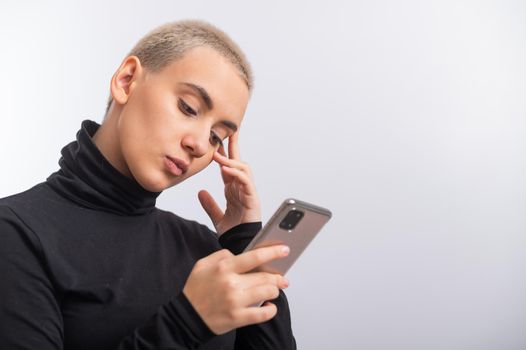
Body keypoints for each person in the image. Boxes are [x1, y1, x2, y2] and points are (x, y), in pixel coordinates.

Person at [0, 19, 296, 349]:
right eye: (189, 107)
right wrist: (188, 321)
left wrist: (244, 243)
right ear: (126, 81)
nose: (199, 144)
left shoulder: (207, 251)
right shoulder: (16, 232)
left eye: (217, 137)